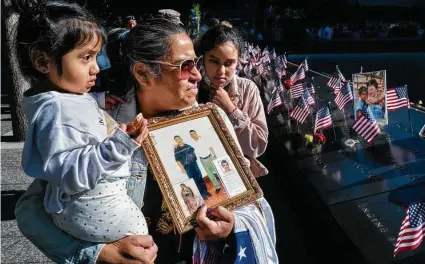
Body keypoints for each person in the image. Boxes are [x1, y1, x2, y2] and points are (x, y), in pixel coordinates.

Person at [15, 14, 278, 264]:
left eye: (196, 64)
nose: (198, 75)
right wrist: (98, 254)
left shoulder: (213, 121)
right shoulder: (103, 127)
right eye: (185, 66)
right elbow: (30, 209)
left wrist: (232, 225)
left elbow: (249, 202)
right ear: (142, 74)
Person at [15, 0, 150, 245]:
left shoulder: (65, 99)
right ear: (43, 62)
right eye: (85, 57)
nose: (96, 68)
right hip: (92, 210)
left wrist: (98, 100)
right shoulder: (56, 110)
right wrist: (120, 145)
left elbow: (75, 109)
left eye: (96, 57)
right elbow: (70, 173)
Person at [197, 25, 269, 178]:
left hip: (236, 173)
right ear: (203, 58)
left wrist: (231, 110)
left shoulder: (248, 89)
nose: (221, 71)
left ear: (238, 62)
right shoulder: (191, 87)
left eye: (229, 63)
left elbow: (257, 146)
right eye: (214, 61)